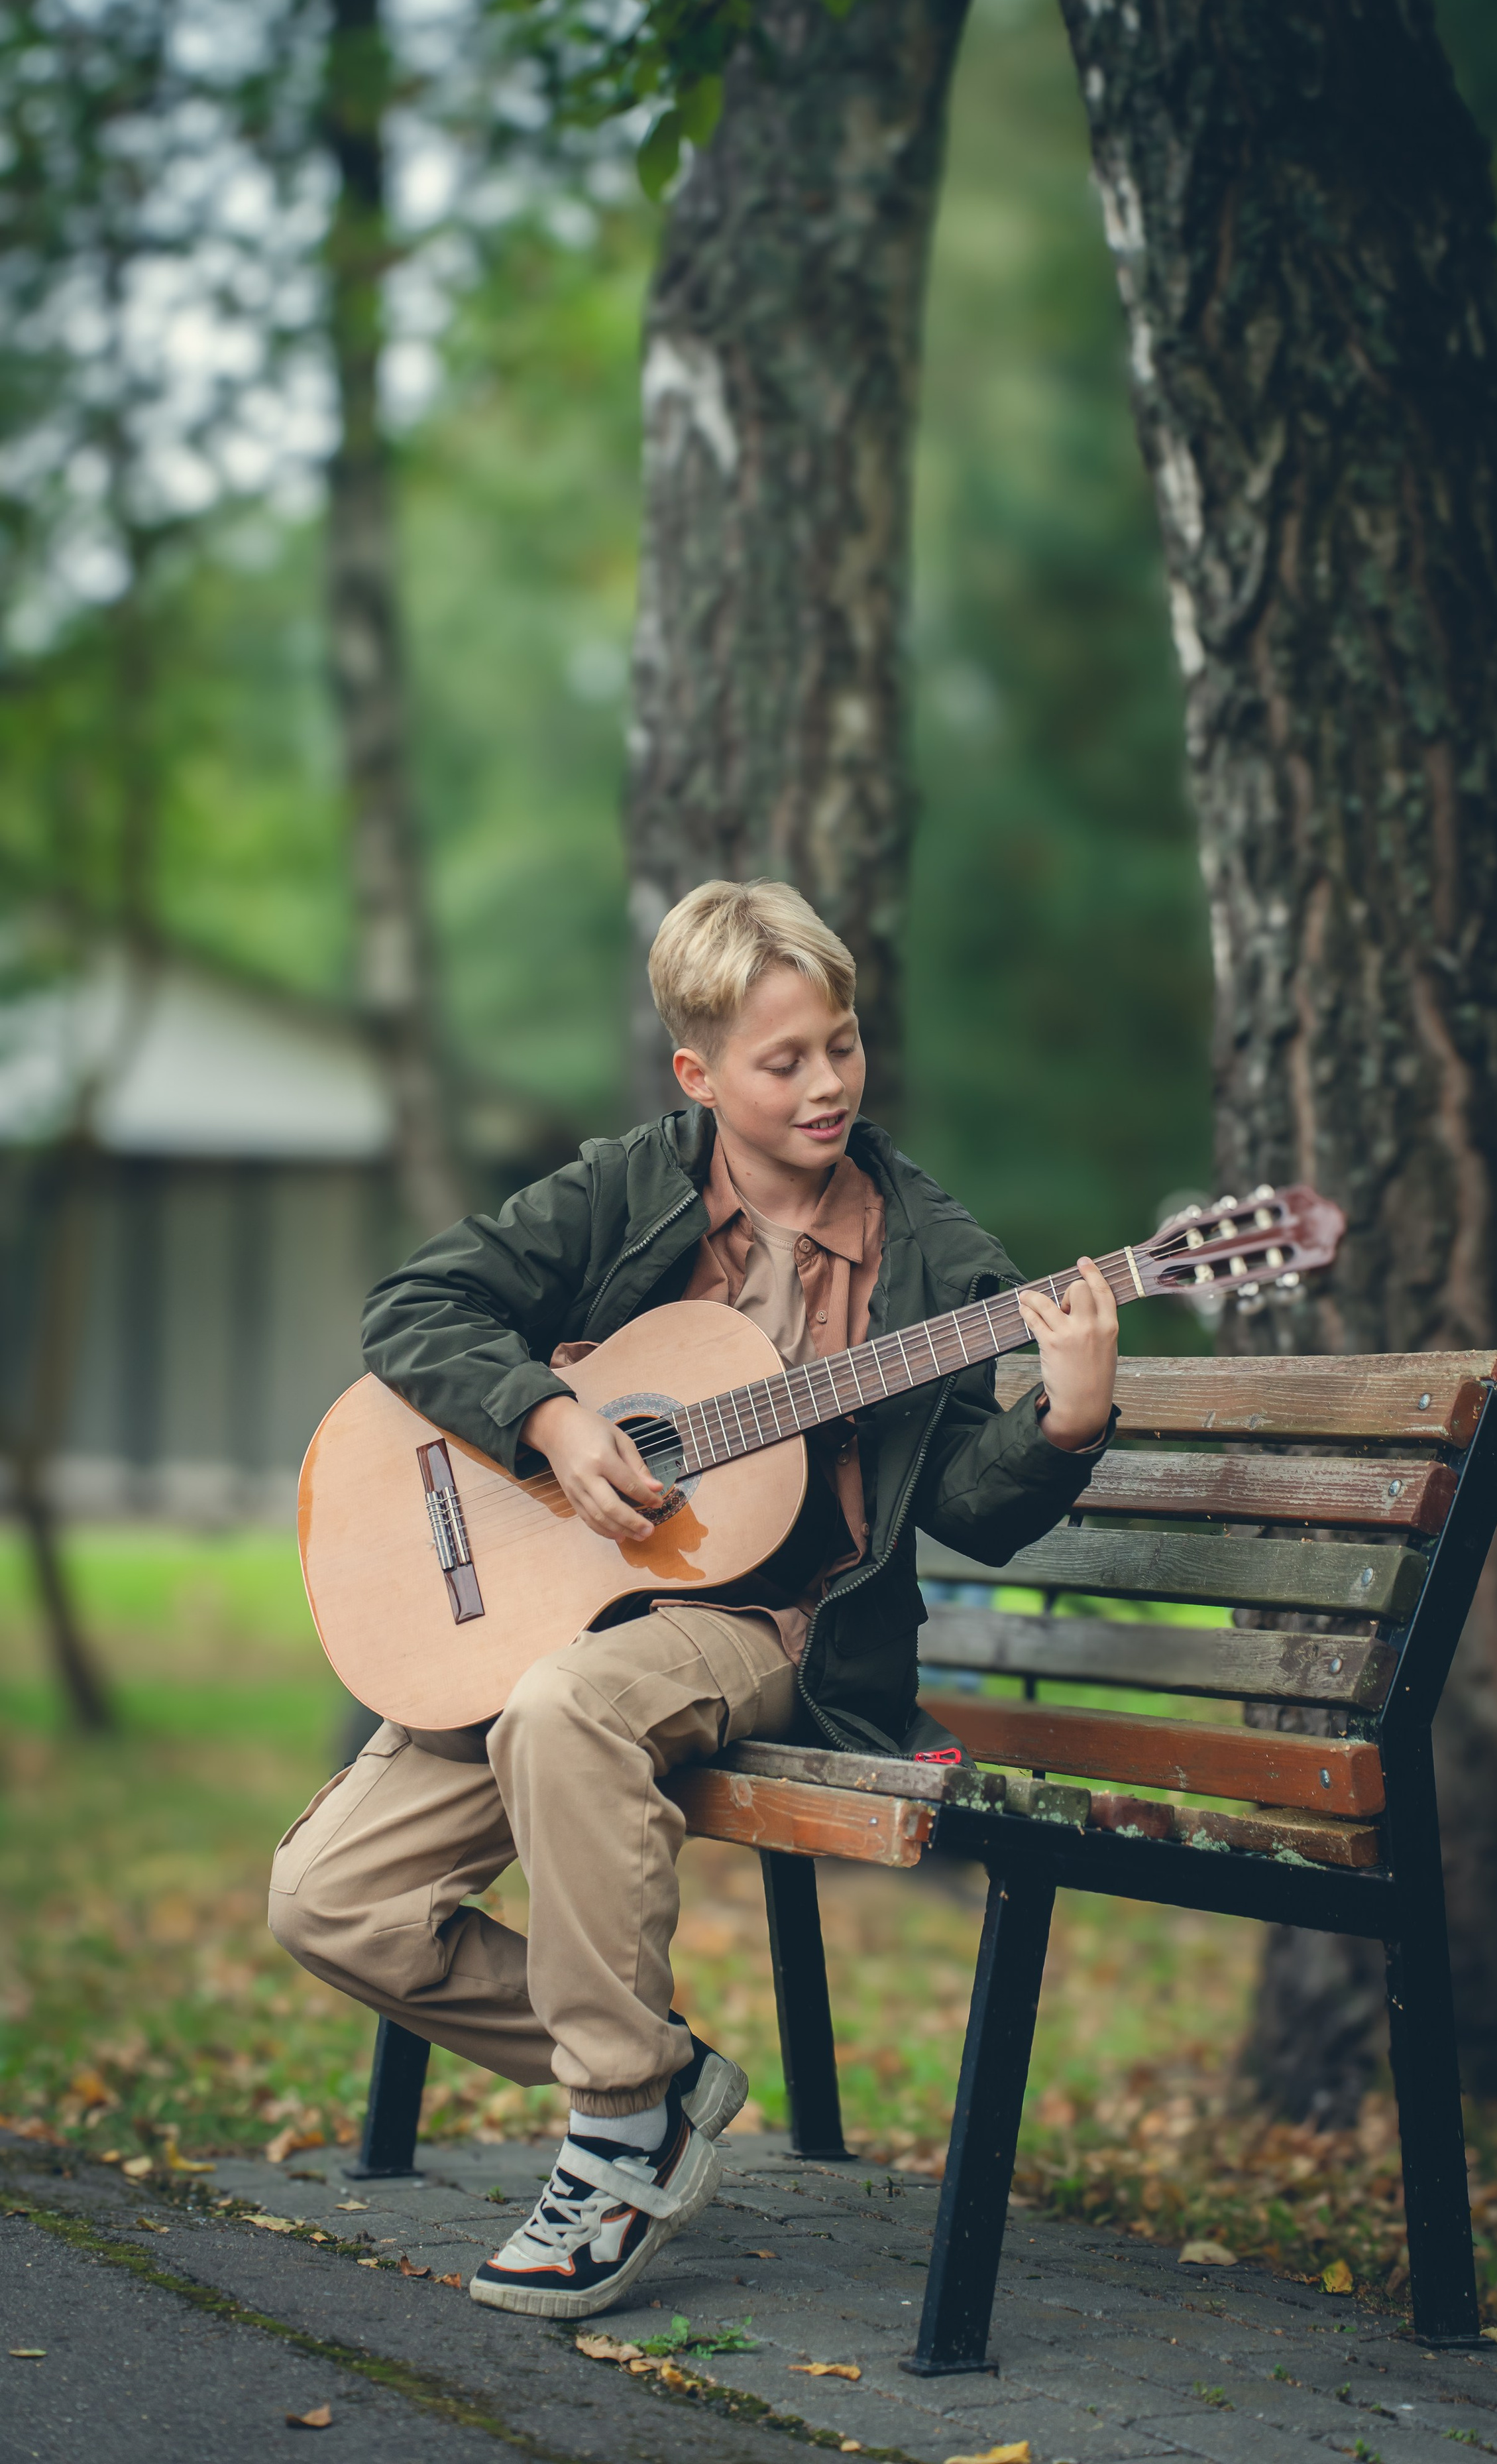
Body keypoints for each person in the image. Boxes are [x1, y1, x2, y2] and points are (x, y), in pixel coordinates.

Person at [268, 878, 1121, 2320]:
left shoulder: (931, 1257)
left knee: (563, 1714)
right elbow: (415, 1308)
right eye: (783, 1062)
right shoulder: (627, 1187)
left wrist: (1065, 1423)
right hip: (565, 1600)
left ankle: (612, 2127)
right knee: (330, 1901)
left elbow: (970, 1515)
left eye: (839, 1045)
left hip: (769, 1629)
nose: (826, 1085)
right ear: (698, 1073)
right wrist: (548, 1420)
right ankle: (659, 2079)